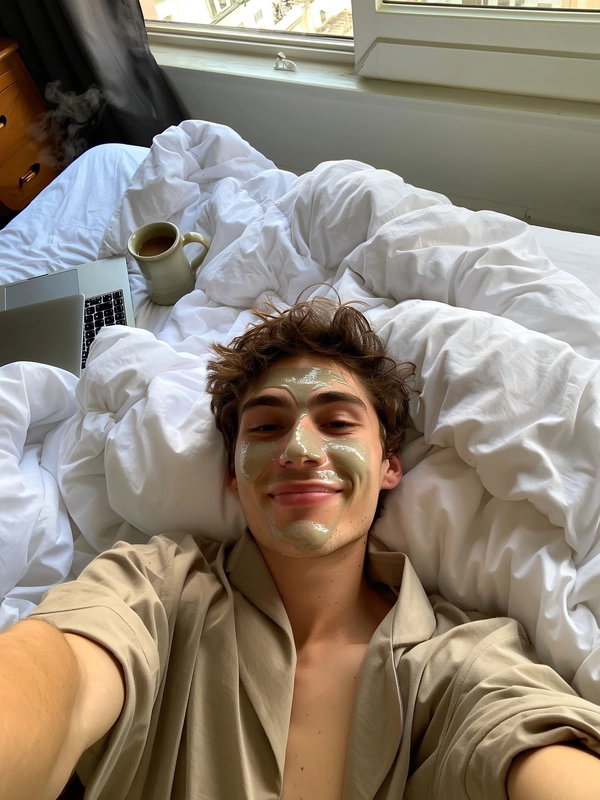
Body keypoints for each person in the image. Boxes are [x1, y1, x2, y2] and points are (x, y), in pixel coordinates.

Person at [1, 298, 600, 800]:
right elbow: (64, 673)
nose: (298, 451)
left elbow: (528, 742)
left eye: (337, 424)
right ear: (233, 474)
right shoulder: (155, 588)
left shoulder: (466, 664)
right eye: (266, 427)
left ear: (390, 465)